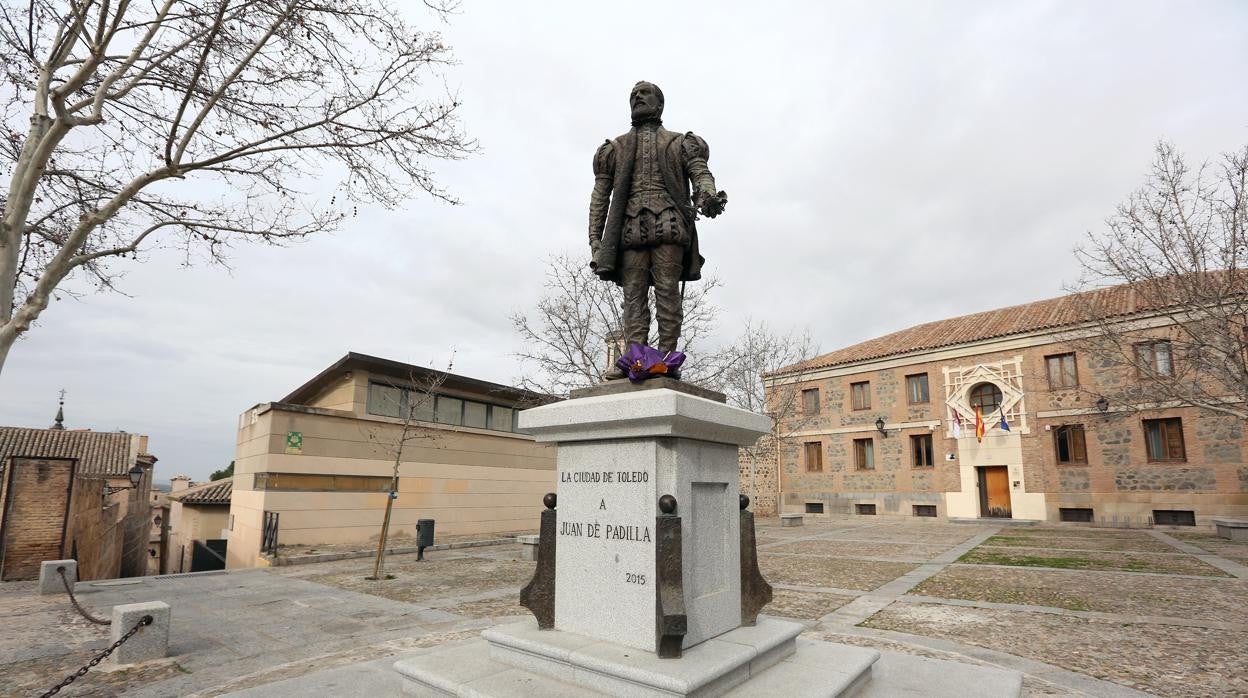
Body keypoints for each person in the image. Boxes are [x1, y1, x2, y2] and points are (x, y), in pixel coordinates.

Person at [588, 81, 727, 368]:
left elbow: (700, 173)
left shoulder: (681, 143)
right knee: (633, 298)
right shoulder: (614, 148)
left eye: (644, 94)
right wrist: (595, 239)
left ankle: (666, 359)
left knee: (667, 293)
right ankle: (636, 360)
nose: (637, 97)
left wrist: (708, 196)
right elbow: (600, 196)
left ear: (659, 104)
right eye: (633, 95)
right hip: (629, 230)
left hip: (669, 226)